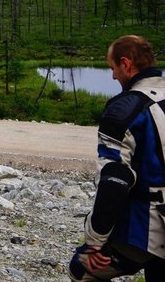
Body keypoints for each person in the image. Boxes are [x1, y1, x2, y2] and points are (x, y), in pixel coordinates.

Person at [70, 35, 165, 280]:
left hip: (148, 226)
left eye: (112, 68)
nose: (112, 76)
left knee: (82, 270)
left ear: (126, 64)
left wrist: (94, 240)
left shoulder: (125, 109)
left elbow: (114, 181)